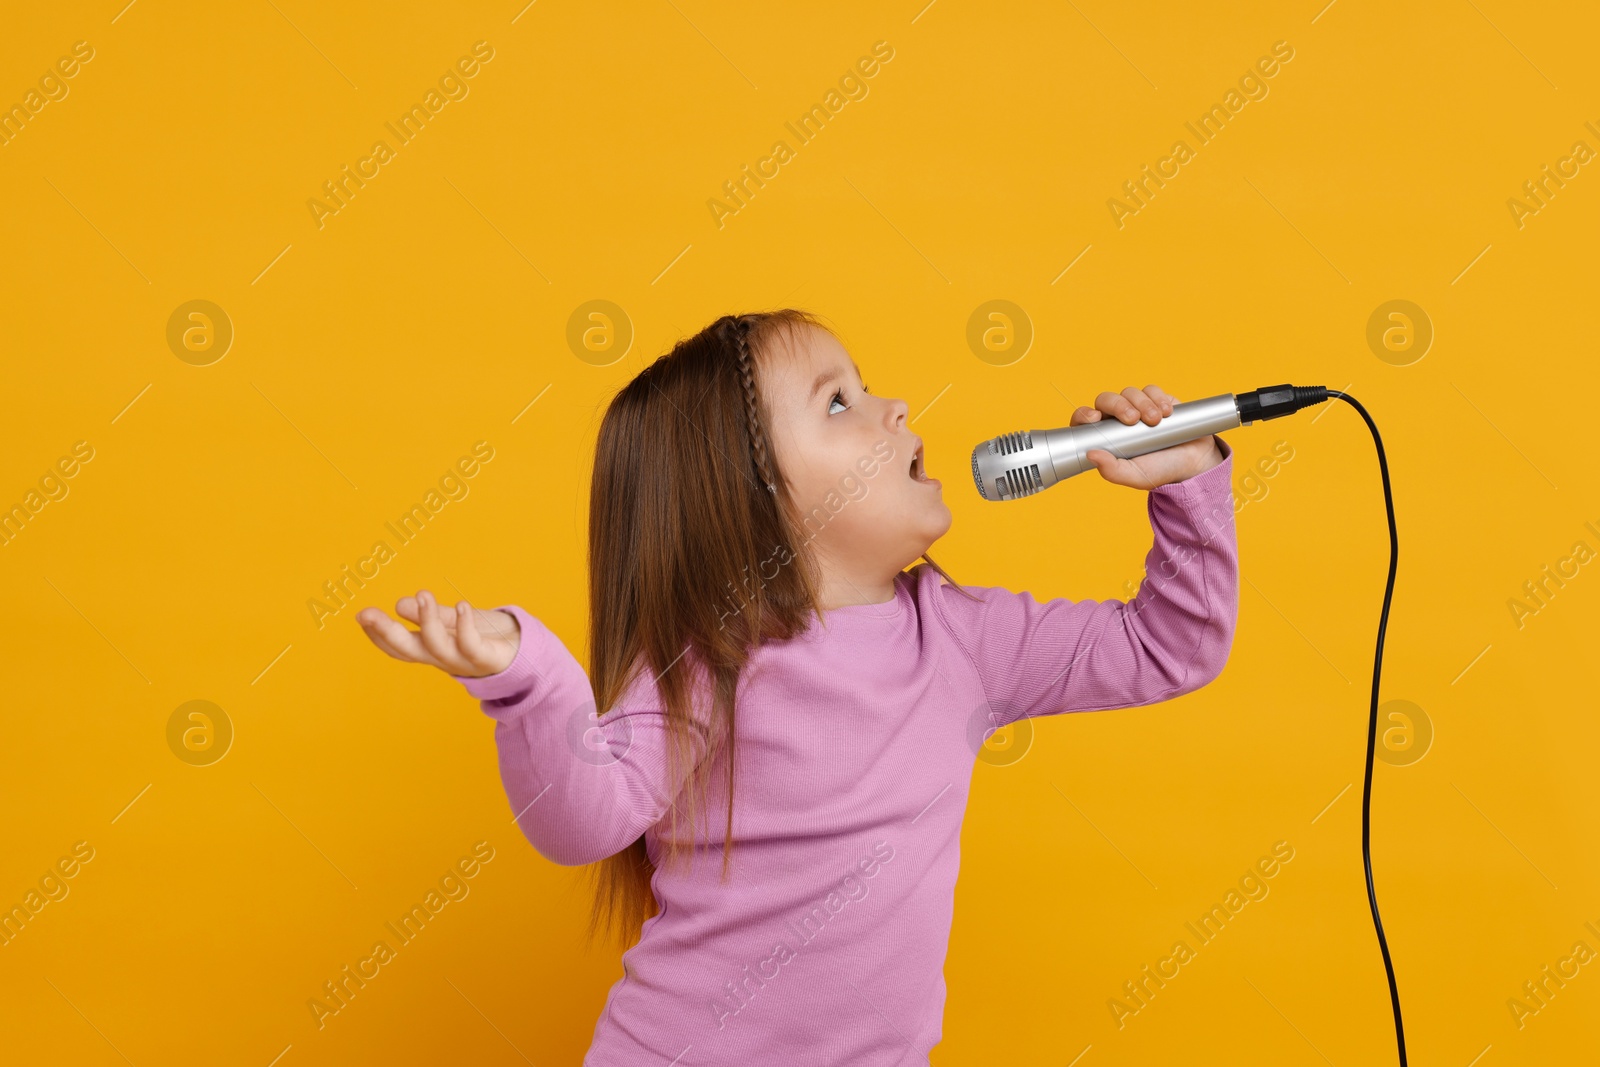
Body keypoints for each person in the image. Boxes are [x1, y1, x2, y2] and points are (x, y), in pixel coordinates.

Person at [356, 308, 1239, 1064]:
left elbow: (1171, 644)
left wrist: (1190, 483)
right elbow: (582, 820)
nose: (894, 407)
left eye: (865, 384)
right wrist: (530, 681)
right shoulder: (706, 665)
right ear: (746, 498)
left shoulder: (965, 638)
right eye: (839, 402)